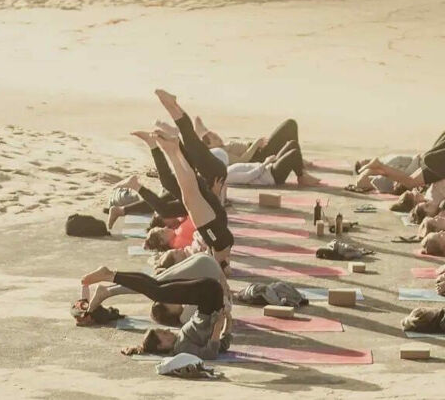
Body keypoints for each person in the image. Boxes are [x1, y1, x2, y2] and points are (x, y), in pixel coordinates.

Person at [80, 266, 233, 359]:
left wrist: (221, 323)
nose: (168, 331)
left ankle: (111, 274)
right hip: (209, 298)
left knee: (157, 286)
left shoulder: (180, 342)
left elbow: (217, 347)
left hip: (208, 298)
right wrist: (225, 323)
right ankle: (110, 275)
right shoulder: (181, 348)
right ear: (161, 347)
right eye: (164, 334)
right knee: (157, 291)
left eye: (164, 331)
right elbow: (213, 352)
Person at [150, 110, 235, 267]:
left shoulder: (185, 247)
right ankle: (173, 149)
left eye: (173, 252)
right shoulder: (186, 252)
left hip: (214, 232)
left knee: (188, 192)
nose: (177, 252)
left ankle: (174, 149)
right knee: (188, 194)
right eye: (175, 255)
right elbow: (215, 265)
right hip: (216, 240)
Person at [82, 254, 230, 327]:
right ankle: (109, 284)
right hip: (208, 268)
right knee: (156, 286)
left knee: (155, 284)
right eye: (164, 303)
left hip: (208, 267)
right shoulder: (186, 314)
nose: (169, 300)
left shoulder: (185, 315)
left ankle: (109, 284)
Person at [225, 139, 322, 187]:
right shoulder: (227, 176)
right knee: (294, 154)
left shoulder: (227, 169)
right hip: (272, 177)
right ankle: (301, 177)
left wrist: (266, 163)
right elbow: (248, 176)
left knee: (292, 144)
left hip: (269, 168)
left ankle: (302, 173)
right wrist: (265, 163)